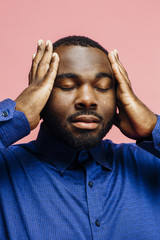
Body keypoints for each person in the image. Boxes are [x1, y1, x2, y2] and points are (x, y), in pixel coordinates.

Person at [0, 36, 160, 240]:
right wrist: (17, 114)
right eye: (67, 85)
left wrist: (152, 127)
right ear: (39, 94)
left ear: (118, 96)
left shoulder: (151, 165)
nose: (87, 99)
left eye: (102, 87)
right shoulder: (5, 169)